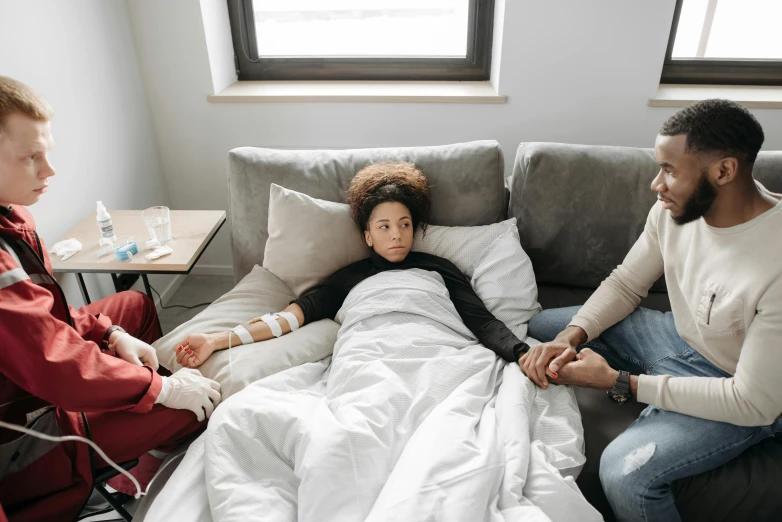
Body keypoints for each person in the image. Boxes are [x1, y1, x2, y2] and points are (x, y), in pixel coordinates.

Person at [524, 99, 782, 521]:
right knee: (538, 329)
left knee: (625, 472)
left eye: (670, 170)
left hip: (740, 389)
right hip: (677, 340)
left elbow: (753, 402)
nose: (655, 184)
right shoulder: (674, 211)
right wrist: (570, 335)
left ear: (724, 171)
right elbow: (627, 283)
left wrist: (619, 382)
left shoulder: (776, 259)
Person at [0, 76, 222, 522]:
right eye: (31, 158)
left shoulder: (12, 215)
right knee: (198, 408)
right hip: (28, 432)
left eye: (47, 152)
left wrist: (110, 332)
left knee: (133, 306)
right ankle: (131, 460)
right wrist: (162, 389)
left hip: (40, 377)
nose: (50, 170)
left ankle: (139, 435)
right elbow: (54, 364)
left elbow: (47, 316)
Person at [174, 162, 529, 369]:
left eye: (405, 224)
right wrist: (216, 339)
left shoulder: (440, 267)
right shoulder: (351, 277)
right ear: (368, 235)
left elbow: (482, 322)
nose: (397, 235)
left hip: (437, 353)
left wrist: (523, 354)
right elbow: (287, 319)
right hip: (370, 358)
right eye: (384, 227)